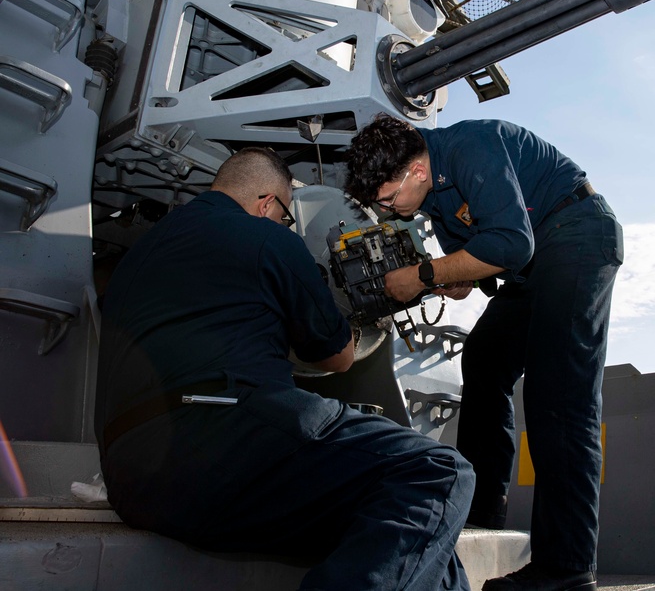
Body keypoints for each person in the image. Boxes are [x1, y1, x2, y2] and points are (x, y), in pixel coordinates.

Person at [95, 146, 475, 591]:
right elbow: (337, 357)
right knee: (438, 471)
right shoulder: (267, 238)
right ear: (267, 204)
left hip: (131, 479)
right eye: (283, 217)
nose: (283, 226)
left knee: (414, 537)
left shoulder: (137, 259)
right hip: (221, 441)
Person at [346, 116, 624, 591]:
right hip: (533, 262)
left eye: (389, 200)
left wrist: (422, 276)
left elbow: (512, 243)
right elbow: (478, 261)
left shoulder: (471, 144)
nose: (388, 211)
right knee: (485, 359)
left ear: (415, 170)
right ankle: (482, 507)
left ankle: (567, 568)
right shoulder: (430, 194)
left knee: (558, 395)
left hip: (575, 232)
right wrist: (454, 278)